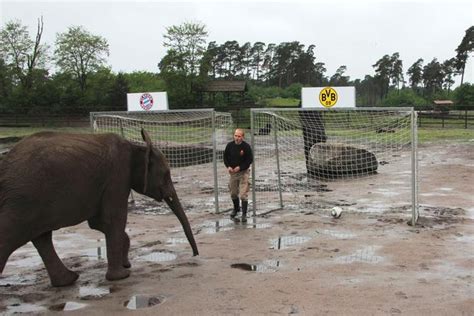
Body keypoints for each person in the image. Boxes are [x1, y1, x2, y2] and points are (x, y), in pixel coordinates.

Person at [223, 128, 253, 222]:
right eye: (235, 136)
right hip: (233, 173)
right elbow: (225, 157)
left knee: (243, 194)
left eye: (239, 136)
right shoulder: (229, 145)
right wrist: (228, 166)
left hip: (243, 172)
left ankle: (244, 214)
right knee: (233, 193)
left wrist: (240, 167)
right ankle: (236, 209)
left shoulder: (246, 147)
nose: (237, 138)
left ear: (242, 137)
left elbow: (249, 160)